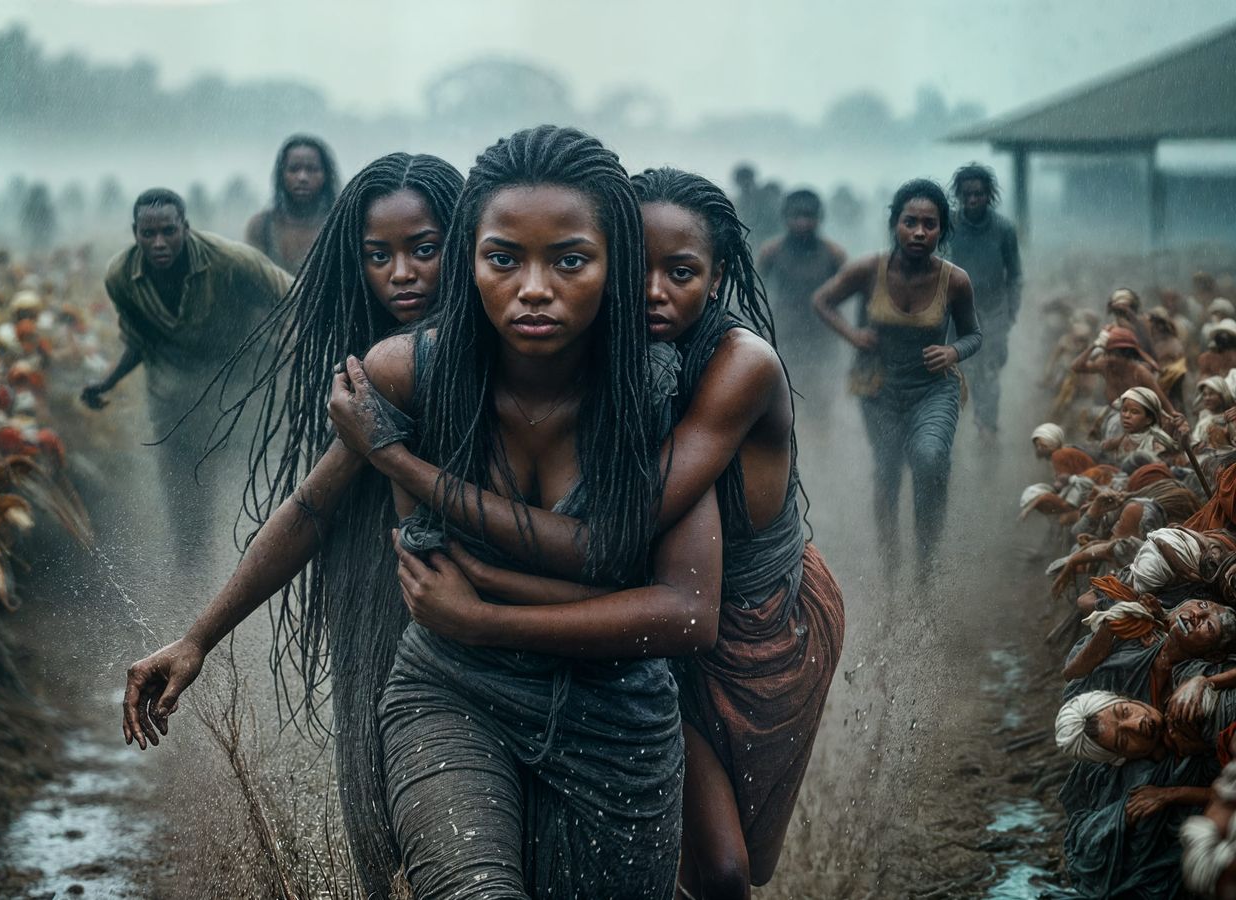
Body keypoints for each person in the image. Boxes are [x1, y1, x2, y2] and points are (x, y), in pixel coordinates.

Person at [329, 166, 846, 895]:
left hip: (754, 624)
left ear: (721, 274)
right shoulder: (615, 358)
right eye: (638, 267)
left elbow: (605, 544)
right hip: (649, 613)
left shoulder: (733, 367)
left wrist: (403, 473)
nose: (653, 292)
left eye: (683, 272)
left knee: (730, 869)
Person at [118, 154, 463, 898]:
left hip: (483, 617)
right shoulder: (375, 368)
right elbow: (311, 508)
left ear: (462, 244)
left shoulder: (504, 350)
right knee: (381, 814)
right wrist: (198, 637)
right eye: (378, 256)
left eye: (424, 249)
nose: (401, 272)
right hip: (378, 597)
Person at [82, 188, 291, 567]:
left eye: (168, 231)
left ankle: (257, 564)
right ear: (135, 233)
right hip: (173, 395)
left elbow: (293, 296)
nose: (159, 243)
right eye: (149, 234)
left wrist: (291, 343)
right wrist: (107, 382)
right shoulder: (121, 277)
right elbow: (139, 340)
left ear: (186, 228)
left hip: (237, 383)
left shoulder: (230, 260)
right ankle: (192, 573)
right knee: (184, 491)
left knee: (247, 478)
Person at [813, 179, 981, 577]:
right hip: (879, 389)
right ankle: (891, 565)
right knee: (887, 473)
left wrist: (953, 351)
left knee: (928, 457)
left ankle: (926, 561)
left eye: (930, 224)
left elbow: (974, 334)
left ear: (942, 230)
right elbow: (822, 301)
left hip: (933, 388)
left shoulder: (954, 280)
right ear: (894, 224)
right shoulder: (869, 269)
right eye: (910, 222)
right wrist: (853, 335)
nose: (920, 232)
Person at [947, 163, 1022, 443]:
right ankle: (951, 431)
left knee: (988, 373)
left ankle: (987, 429)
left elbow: (1014, 275)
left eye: (978, 194)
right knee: (954, 373)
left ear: (988, 195)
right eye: (967, 194)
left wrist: (1011, 312)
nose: (973, 199)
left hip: (993, 312)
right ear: (960, 195)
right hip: (955, 312)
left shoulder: (1003, 229)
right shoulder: (949, 226)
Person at [757, 188, 847, 390]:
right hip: (785, 327)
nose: (803, 223)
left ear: (819, 218)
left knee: (823, 387)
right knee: (786, 384)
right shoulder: (771, 252)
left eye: (809, 216)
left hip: (822, 329)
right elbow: (757, 291)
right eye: (796, 216)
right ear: (785, 217)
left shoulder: (834, 255)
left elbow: (844, 294)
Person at [245, 135, 339, 274]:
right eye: (294, 169)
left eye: (312, 169)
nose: (302, 177)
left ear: (325, 175)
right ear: (281, 175)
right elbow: (251, 279)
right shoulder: (262, 227)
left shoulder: (339, 225)